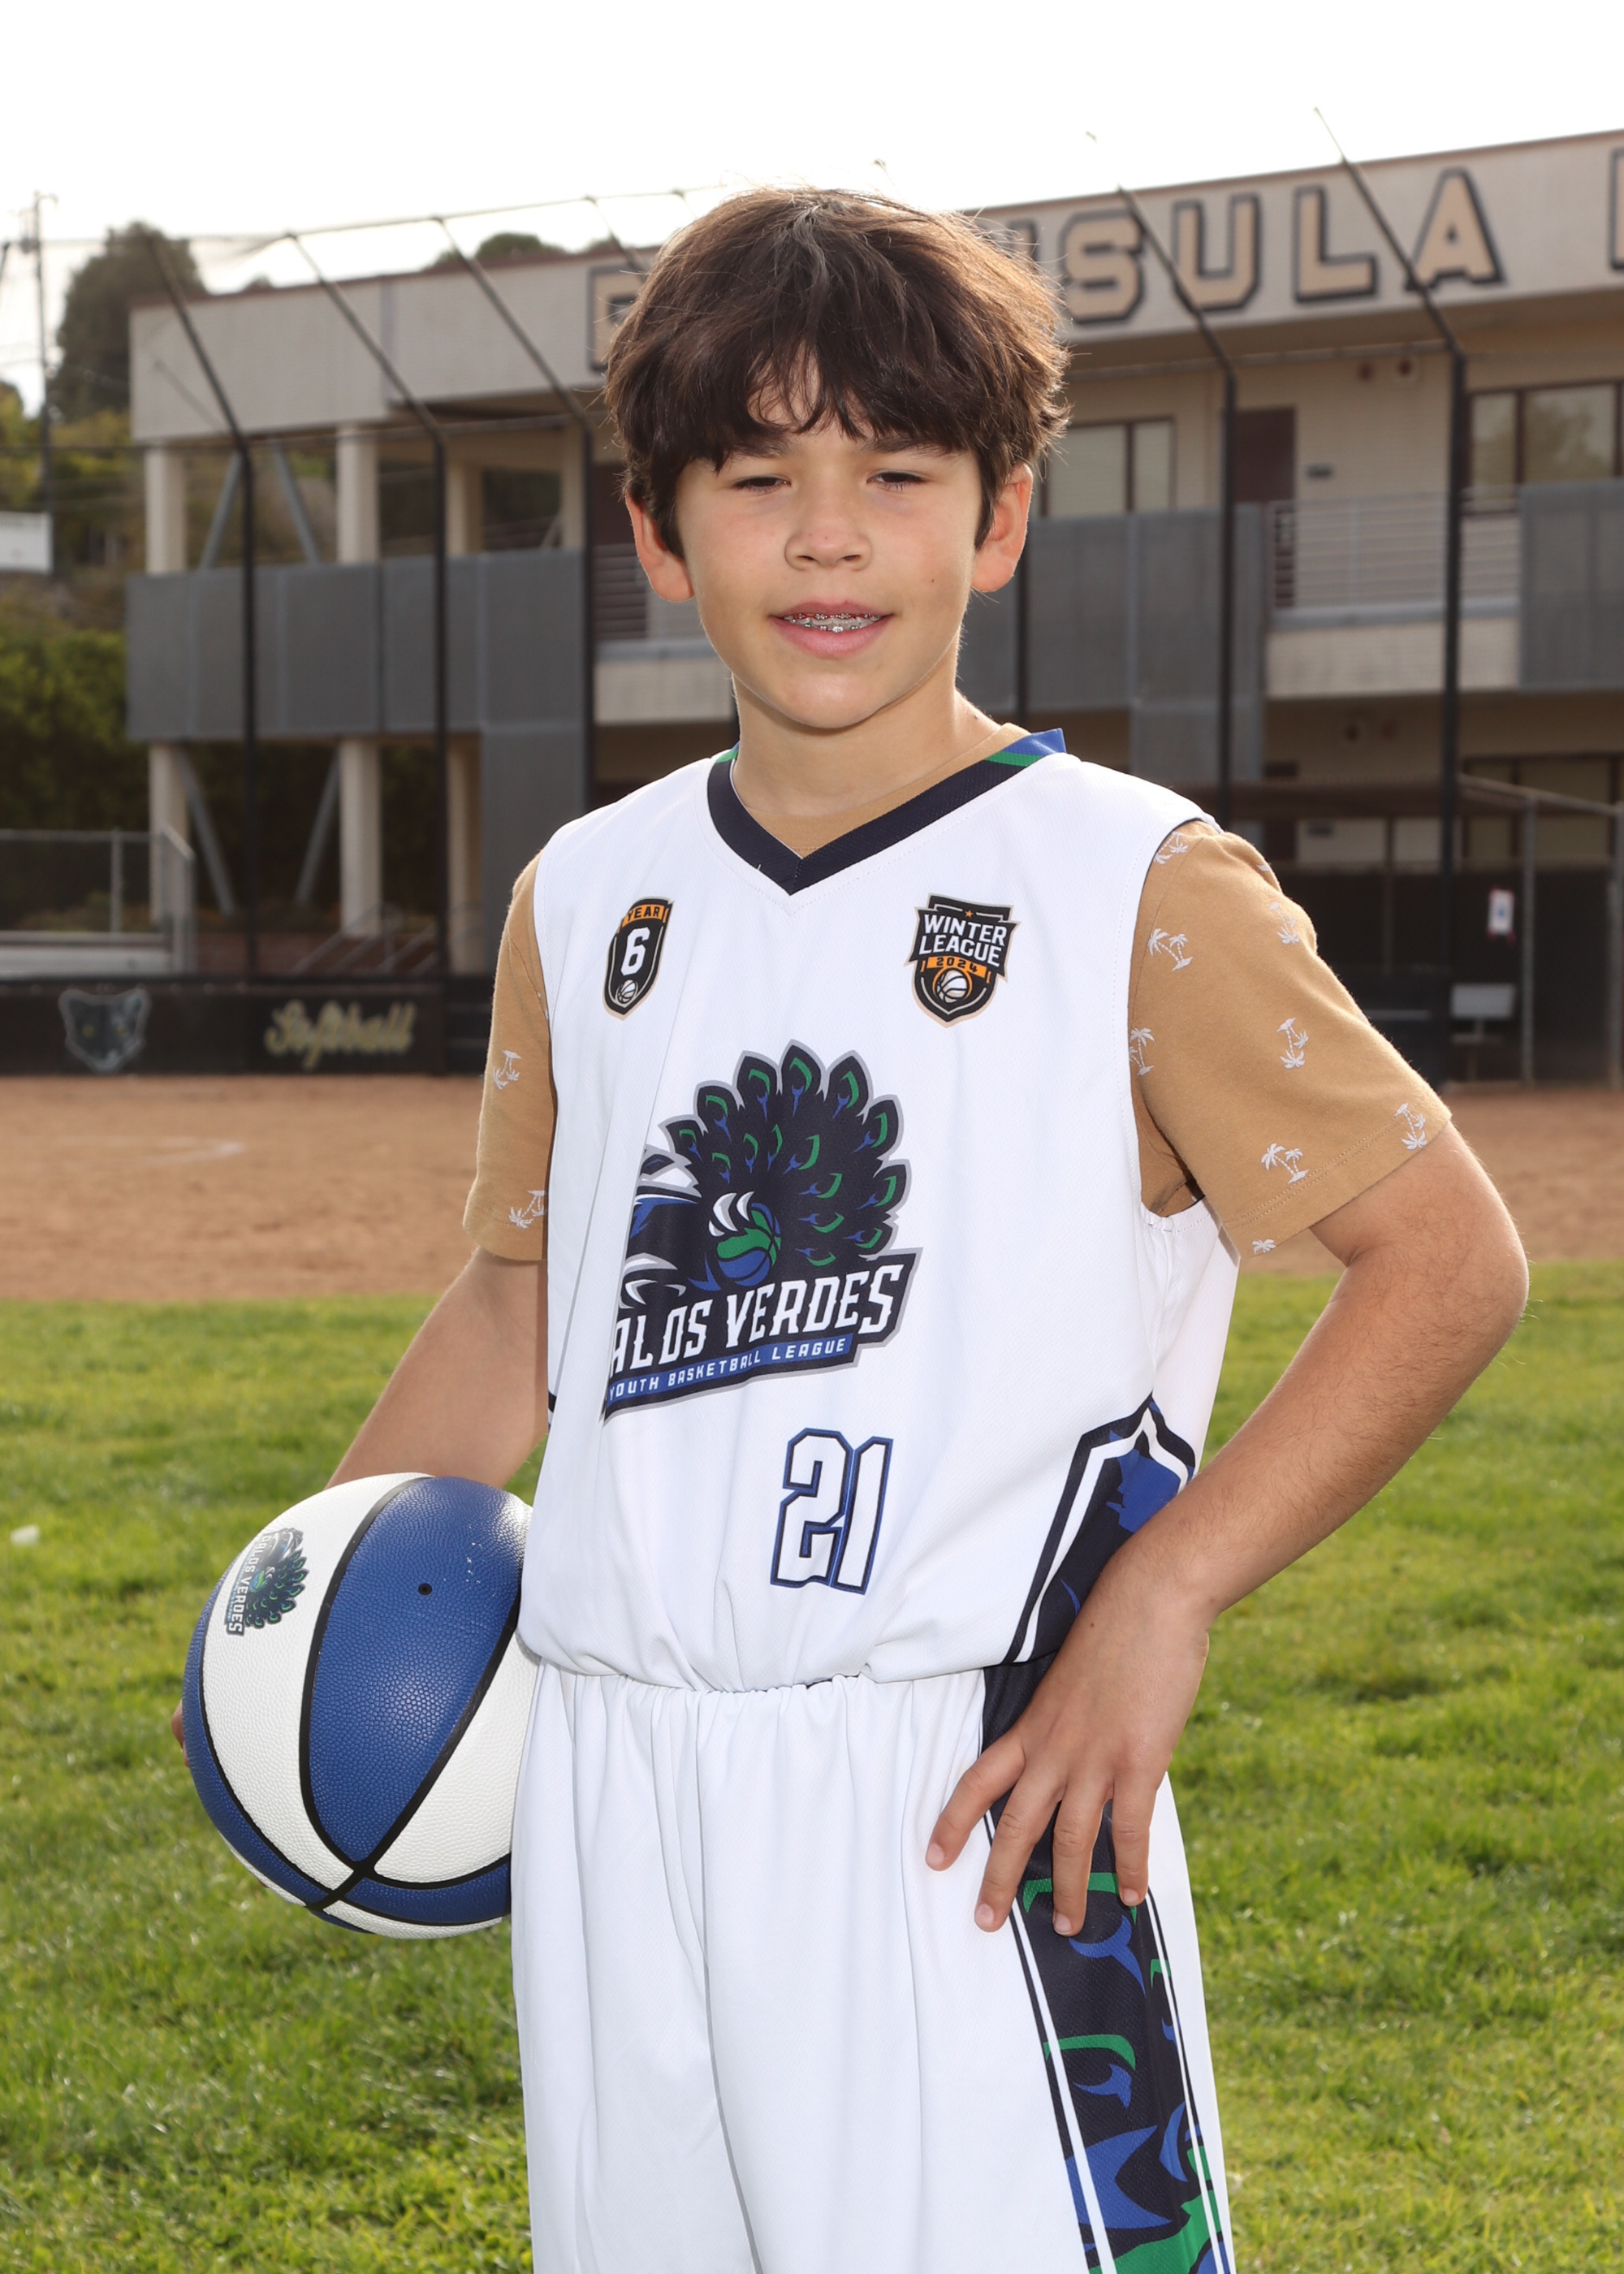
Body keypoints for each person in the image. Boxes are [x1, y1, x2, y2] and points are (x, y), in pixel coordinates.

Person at [180, 190, 1527, 2272]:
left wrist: (1164, 1597)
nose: (828, 538)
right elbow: (526, 1301)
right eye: (756, 479)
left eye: (895, 475)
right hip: (616, 1781)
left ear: (998, 520)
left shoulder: (1134, 884)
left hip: (969, 1792)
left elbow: (1447, 1258)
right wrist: (319, 1607)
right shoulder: (587, 897)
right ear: (656, 532)